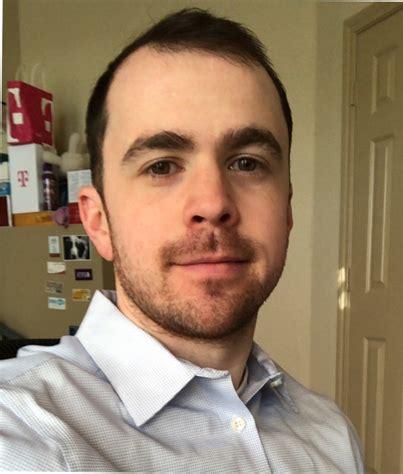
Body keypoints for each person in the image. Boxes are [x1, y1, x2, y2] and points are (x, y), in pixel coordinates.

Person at [0, 8, 364, 472]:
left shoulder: (332, 435)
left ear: (287, 210)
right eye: (162, 166)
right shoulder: (20, 432)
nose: (213, 203)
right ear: (98, 221)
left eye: (247, 162)